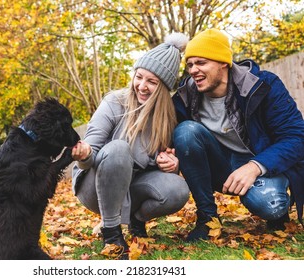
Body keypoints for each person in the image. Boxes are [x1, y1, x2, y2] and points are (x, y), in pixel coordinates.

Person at [172, 28, 304, 242]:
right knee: (186, 131)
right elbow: (168, 131)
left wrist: (255, 166)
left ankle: (277, 205)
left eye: (201, 63)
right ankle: (207, 218)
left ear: (223, 62)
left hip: (259, 163)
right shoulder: (186, 94)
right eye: (190, 64)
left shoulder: (263, 85)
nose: (193, 70)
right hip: (220, 164)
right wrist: (167, 154)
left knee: (271, 205)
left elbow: (297, 137)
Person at [71, 33, 190, 259]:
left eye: (152, 82)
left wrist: (171, 165)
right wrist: (84, 155)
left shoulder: (167, 117)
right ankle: (111, 231)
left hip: (132, 186)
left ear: (164, 88)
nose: (142, 86)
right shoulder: (115, 102)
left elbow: (158, 165)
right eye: (139, 77)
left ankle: (136, 220)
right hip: (95, 185)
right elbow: (90, 153)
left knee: (178, 189)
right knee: (118, 148)